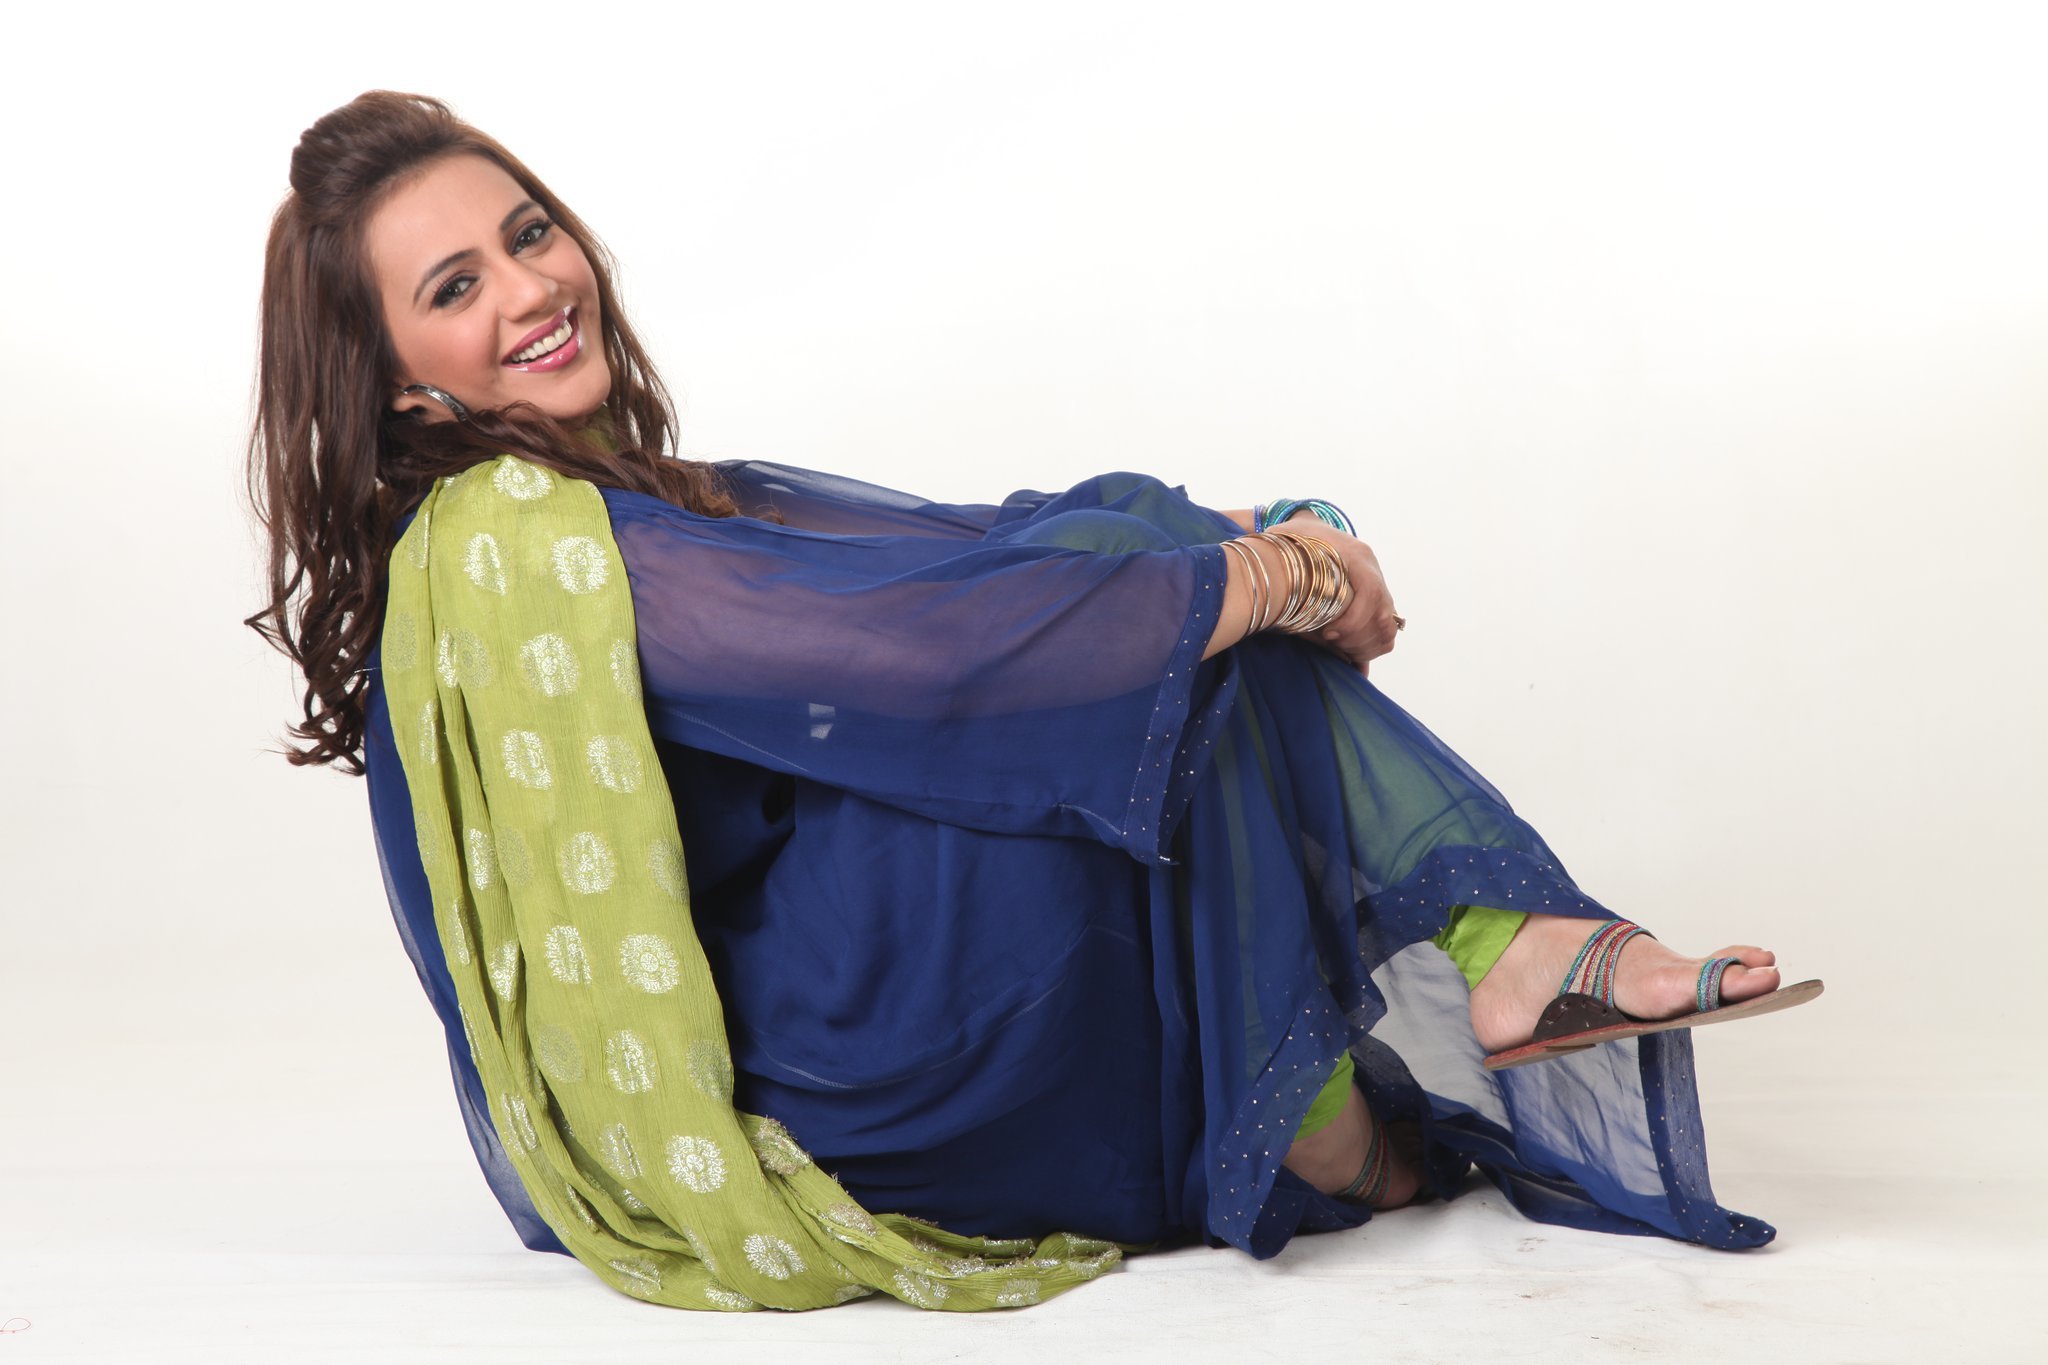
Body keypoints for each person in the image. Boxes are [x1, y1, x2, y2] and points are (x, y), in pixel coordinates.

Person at [243, 91, 1818, 1310]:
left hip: (894, 994)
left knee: (1133, 553)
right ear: (398, 377)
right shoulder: (520, 543)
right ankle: (1461, 984)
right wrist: (1272, 579)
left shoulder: (641, 503)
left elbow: (968, 548)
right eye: (456, 284)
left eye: (530, 233)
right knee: (1143, 608)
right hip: (828, 1067)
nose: (532, 286)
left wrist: (1263, 536)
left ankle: (1379, 1051)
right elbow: (932, 652)